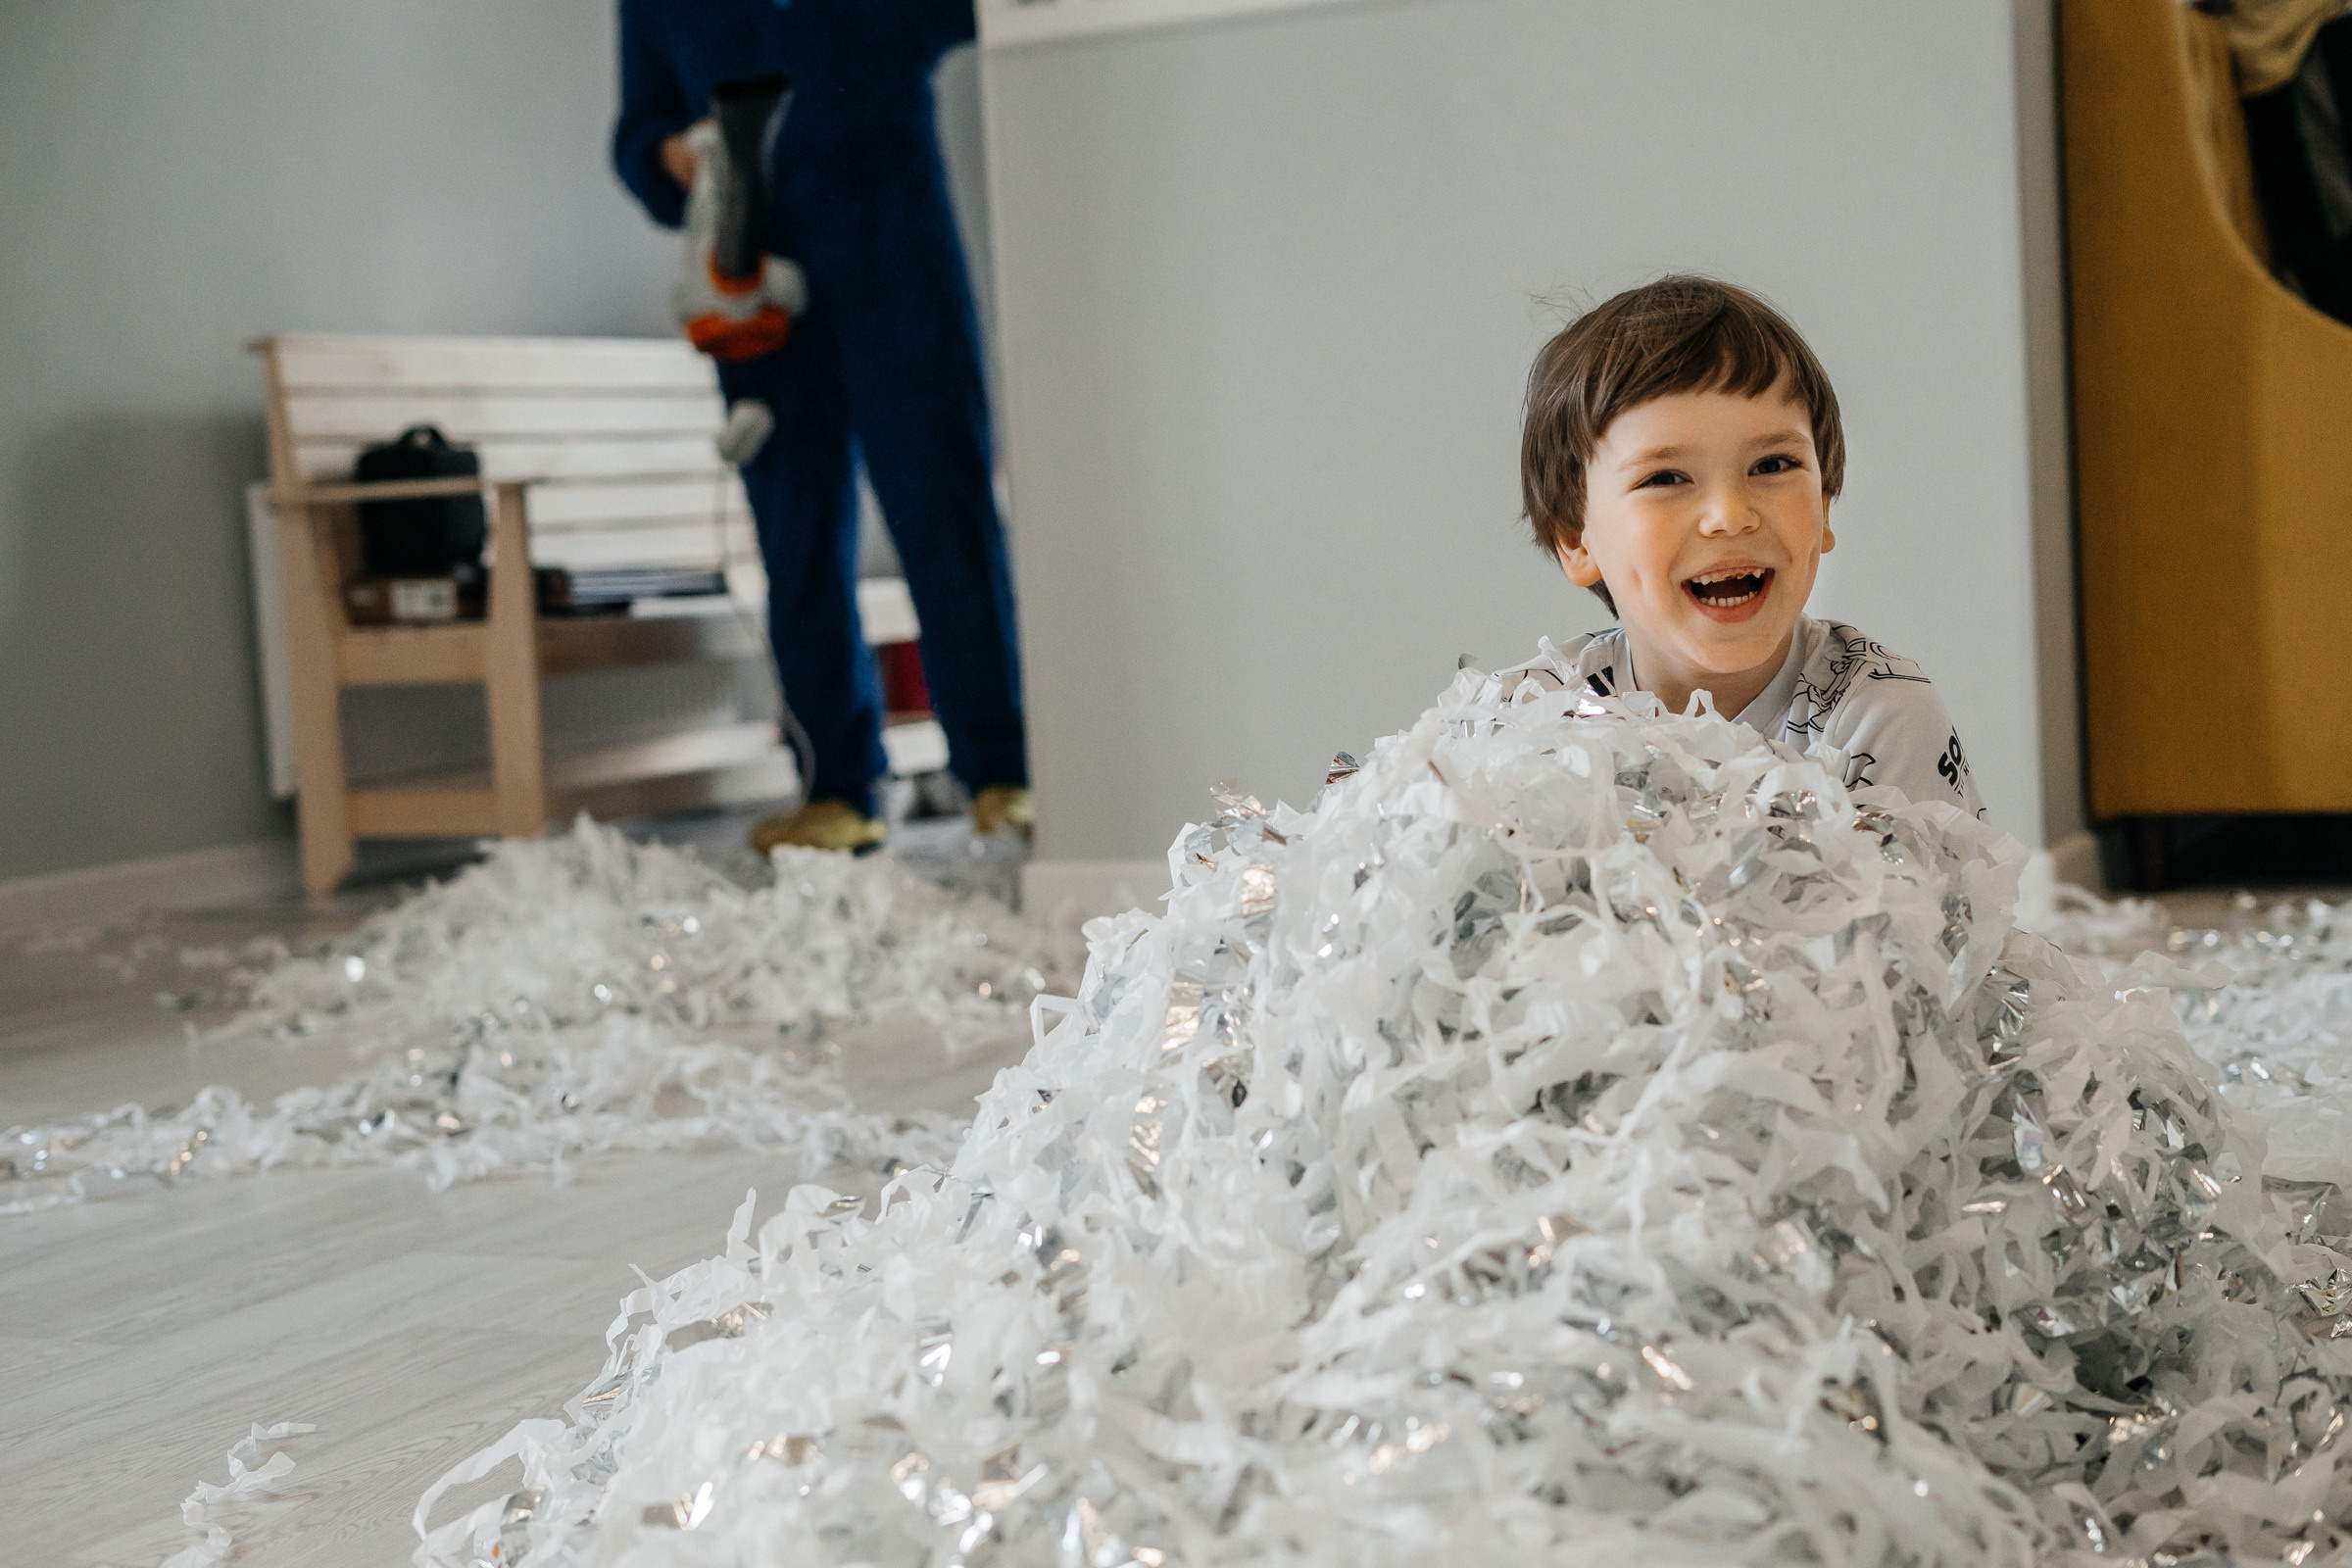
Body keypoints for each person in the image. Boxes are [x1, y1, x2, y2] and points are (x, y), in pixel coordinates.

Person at [612, 0, 1030, 855]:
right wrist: (674, 157)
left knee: (944, 512)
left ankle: (1003, 770)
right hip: (754, 286)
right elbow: (637, 135)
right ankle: (838, 787)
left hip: (900, 262)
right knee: (795, 535)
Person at [1507, 275, 1984, 817]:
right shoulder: (1529, 722)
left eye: (1772, 465)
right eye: (1666, 478)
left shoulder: (1878, 717)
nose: (1730, 516)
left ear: (1824, 508)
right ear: (1576, 540)